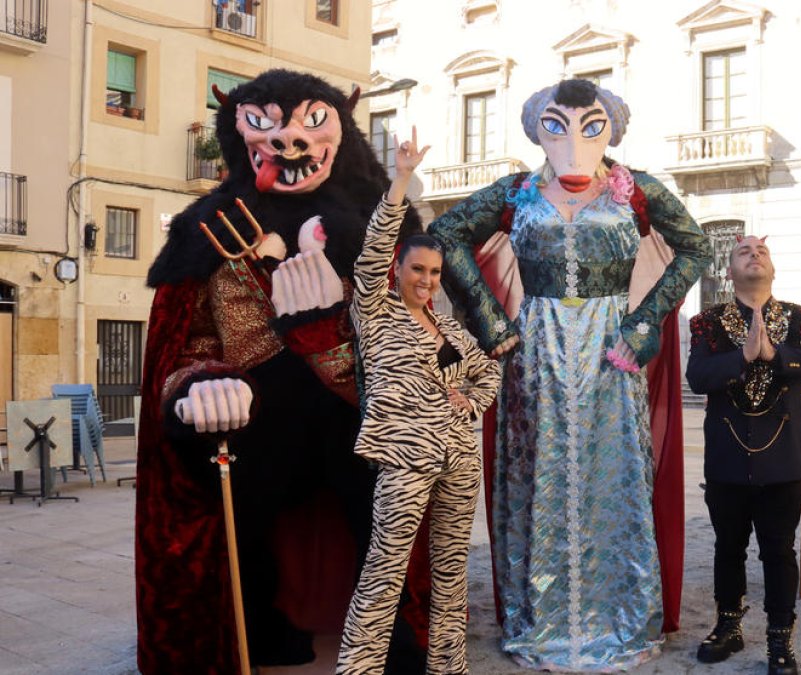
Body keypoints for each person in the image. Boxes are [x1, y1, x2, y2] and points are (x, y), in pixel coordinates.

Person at [136, 70, 428, 673]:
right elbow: (183, 341)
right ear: (240, 134)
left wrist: (332, 336)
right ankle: (251, 625)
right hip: (256, 413)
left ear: (338, 132)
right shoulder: (207, 228)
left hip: (356, 408)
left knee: (382, 501)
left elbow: (416, 331)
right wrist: (198, 384)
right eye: (265, 123)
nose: (289, 141)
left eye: (310, 122)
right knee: (242, 509)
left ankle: (393, 629)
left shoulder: (382, 225)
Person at [429, 78, 711, 670]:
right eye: (557, 126)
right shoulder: (516, 192)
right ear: (540, 130)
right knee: (538, 472)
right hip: (536, 350)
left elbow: (696, 249)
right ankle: (543, 617)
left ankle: (619, 617)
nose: (574, 141)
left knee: (614, 472)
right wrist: (490, 320)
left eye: (590, 125)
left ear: (608, 127)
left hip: (613, 349)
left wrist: (644, 324)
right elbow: (444, 236)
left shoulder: (637, 191)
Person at [337, 129, 501, 674]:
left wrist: (468, 400)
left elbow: (488, 373)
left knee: (452, 571)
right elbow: (374, 248)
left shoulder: (449, 328)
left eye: (434, 272)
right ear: (398, 272)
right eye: (418, 271)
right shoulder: (376, 312)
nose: (427, 280)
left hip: (460, 457)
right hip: (404, 456)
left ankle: (448, 668)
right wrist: (402, 179)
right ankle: (359, 669)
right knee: (385, 568)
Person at [686, 235, 801, 675]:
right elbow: (697, 376)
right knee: (728, 547)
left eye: (762, 251)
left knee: (778, 551)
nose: (755, 254)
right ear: (729, 272)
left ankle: (779, 639)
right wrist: (743, 356)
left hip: (783, 460)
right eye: (743, 252)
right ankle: (728, 626)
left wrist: (776, 354)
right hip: (727, 459)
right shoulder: (706, 323)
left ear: (773, 269)